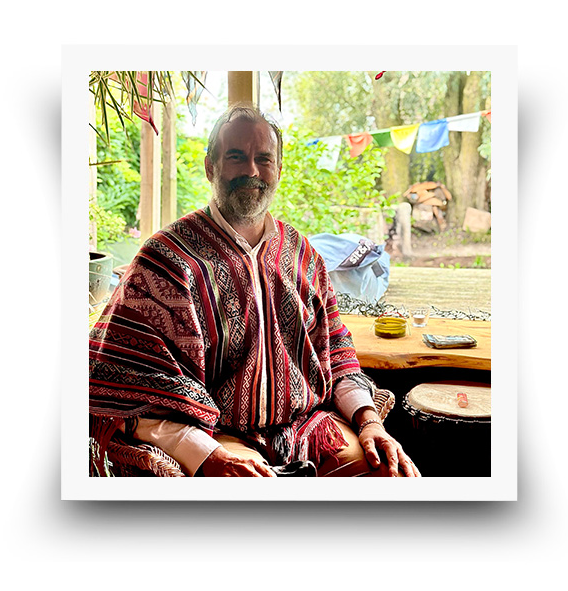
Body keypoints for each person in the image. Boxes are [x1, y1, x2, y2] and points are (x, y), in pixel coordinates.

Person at [89, 104, 421, 478]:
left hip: (307, 426)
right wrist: (206, 455)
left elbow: (337, 353)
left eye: (264, 159)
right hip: (216, 434)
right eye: (236, 157)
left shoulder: (303, 255)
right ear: (210, 167)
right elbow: (117, 381)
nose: (251, 170)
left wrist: (370, 422)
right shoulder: (166, 260)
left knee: (388, 473)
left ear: (278, 169)